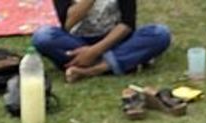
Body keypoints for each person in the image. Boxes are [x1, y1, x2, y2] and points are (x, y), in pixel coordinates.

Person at [33, 2, 171, 82]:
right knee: (43, 36)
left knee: (159, 33)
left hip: (115, 40)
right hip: (77, 43)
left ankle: (92, 70)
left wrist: (94, 52)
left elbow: (127, 25)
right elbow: (67, 25)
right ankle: (121, 61)